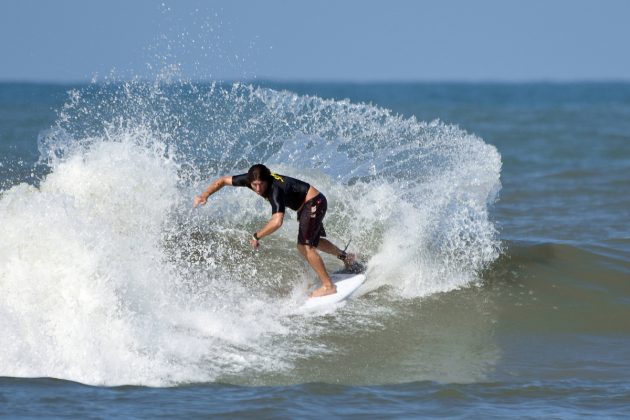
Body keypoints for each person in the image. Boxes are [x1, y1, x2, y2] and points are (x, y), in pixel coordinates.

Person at [193, 164, 355, 297]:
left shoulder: (274, 189)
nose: (257, 189)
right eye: (254, 185)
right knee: (314, 241)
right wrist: (204, 195)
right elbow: (222, 181)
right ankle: (346, 258)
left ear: (267, 180)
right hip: (311, 203)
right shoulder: (251, 180)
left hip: (313, 203)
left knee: (305, 246)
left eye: (260, 184)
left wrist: (257, 236)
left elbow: (277, 222)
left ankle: (328, 286)